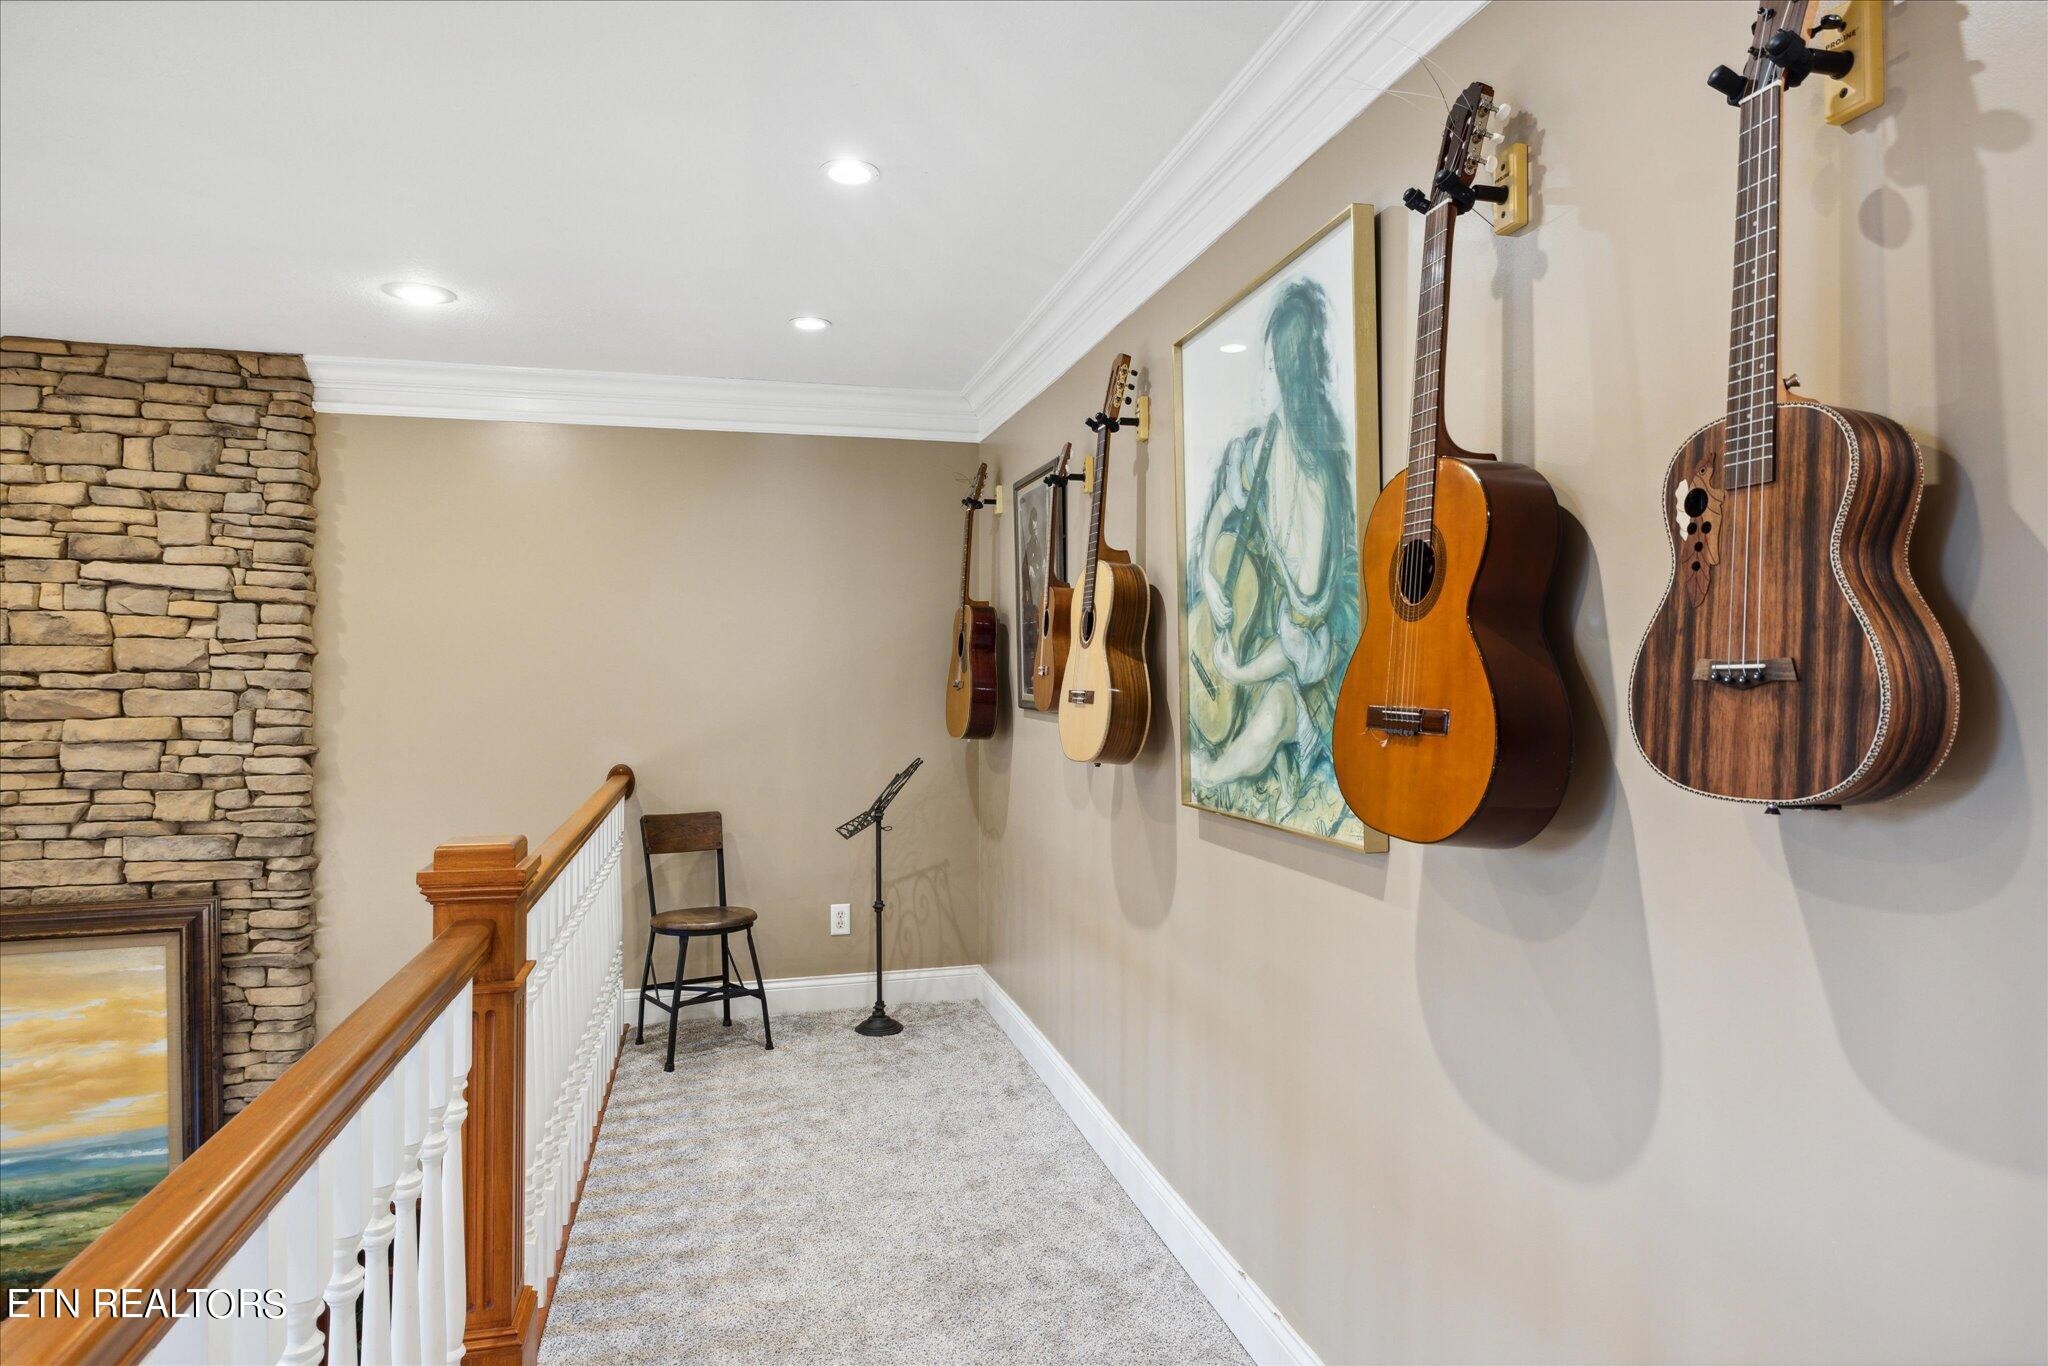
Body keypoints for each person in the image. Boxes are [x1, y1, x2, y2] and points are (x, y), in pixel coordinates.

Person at [1186, 277, 1358, 828]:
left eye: (1269, 367)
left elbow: (1303, 646)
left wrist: (1238, 675)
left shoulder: (1319, 490)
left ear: (1287, 374)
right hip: (1250, 624)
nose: (1261, 381)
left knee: (1274, 714)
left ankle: (1210, 775)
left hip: (1299, 668)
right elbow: (1222, 508)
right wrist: (1212, 579)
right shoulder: (1263, 442)